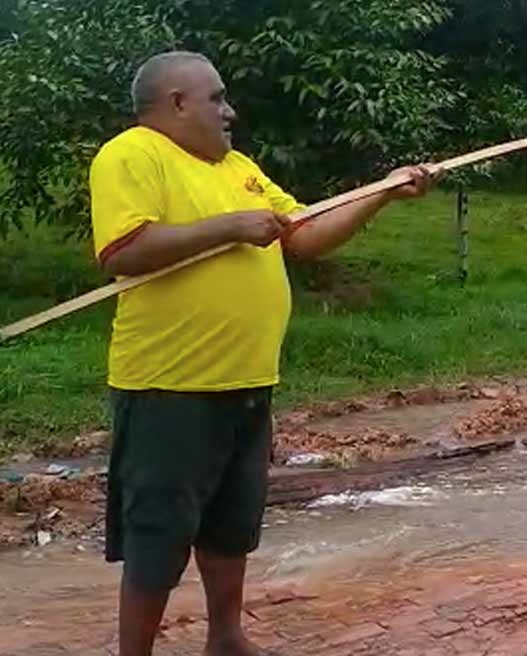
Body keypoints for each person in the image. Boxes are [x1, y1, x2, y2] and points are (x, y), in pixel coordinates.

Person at [89, 50, 437, 656]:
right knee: (159, 533)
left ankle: (226, 639)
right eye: (217, 98)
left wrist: (383, 192)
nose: (231, 111)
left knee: (230, 525)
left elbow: (304, 234)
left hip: (247, 382)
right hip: (169, 388)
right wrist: (229, 228)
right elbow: (123, 249)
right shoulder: (133, 154)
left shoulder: (240, 169)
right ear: (176, 103)